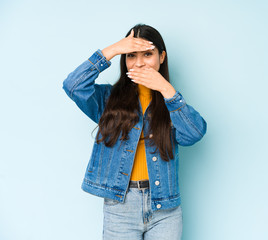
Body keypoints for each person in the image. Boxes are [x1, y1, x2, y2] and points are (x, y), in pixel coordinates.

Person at [62, 23, 207, 240]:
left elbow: (194, 134)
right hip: (121, 206)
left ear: (162, 57)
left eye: (148, 54)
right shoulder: (108, 100)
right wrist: (112, 49)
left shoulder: (172, 104)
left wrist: (166, 89)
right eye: (131, 55)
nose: (139, 63)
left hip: (165, 207)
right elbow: (73, 86)